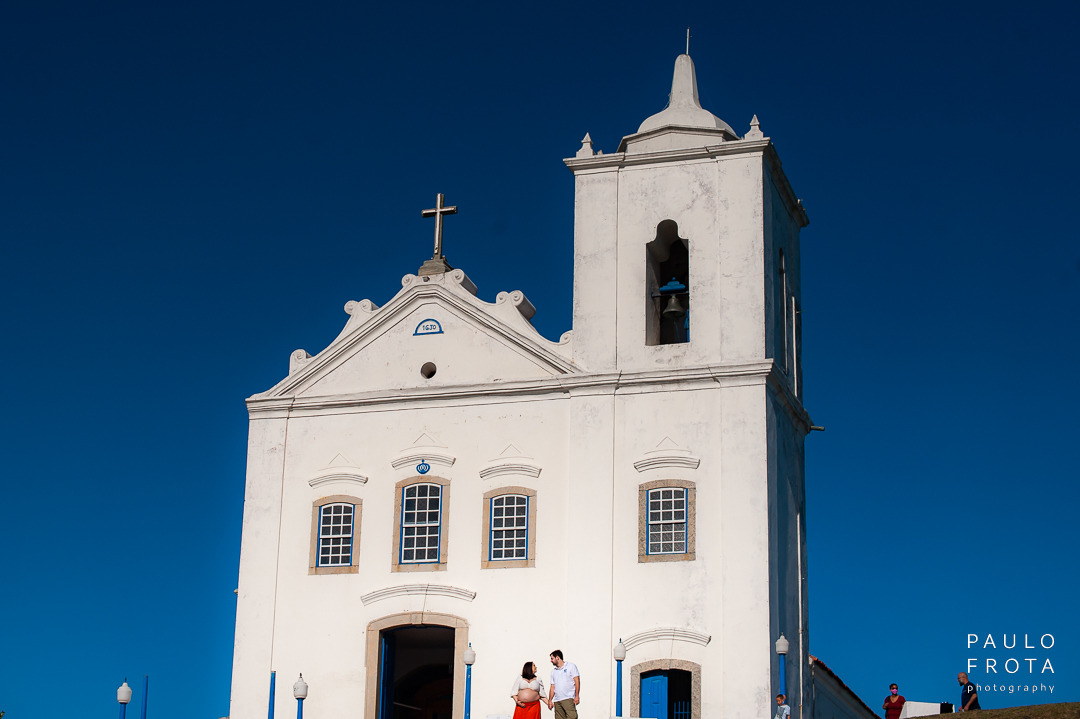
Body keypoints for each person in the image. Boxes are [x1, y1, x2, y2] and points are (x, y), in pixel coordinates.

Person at [548, 649, 580, 719]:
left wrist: (577, 695)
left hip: (568, 698)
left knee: (572, 716)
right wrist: (550, 700)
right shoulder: (553, 671)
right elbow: (552, 686)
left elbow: (577, 681)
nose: (551, 660)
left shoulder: (571, 666)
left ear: (557, 657)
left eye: (552, 658)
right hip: (557, 700)